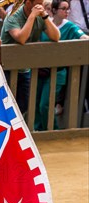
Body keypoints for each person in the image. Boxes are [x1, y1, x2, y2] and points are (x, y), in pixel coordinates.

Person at [34, 0, 88, 130]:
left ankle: (53, 131)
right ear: (54, 10)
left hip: (58, 71)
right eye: (63, 9)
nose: (67, 12)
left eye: (68, 9)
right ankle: (39, 132)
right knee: (35, 105)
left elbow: (84, 38)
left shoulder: (70, 26)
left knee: (45, 104)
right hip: (41, 70)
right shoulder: (46, 23)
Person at [0, 0, 60, 115]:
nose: (40, 7)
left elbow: (56, 36)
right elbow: (21, 38)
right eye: (38, 3)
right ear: (27, 3)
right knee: (6, 107)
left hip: (24, 69)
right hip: (6, 68)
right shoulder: (12, 16)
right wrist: (32, 16)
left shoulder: (40, 16)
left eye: (42, 3)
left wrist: (45, 17)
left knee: (23, 106)